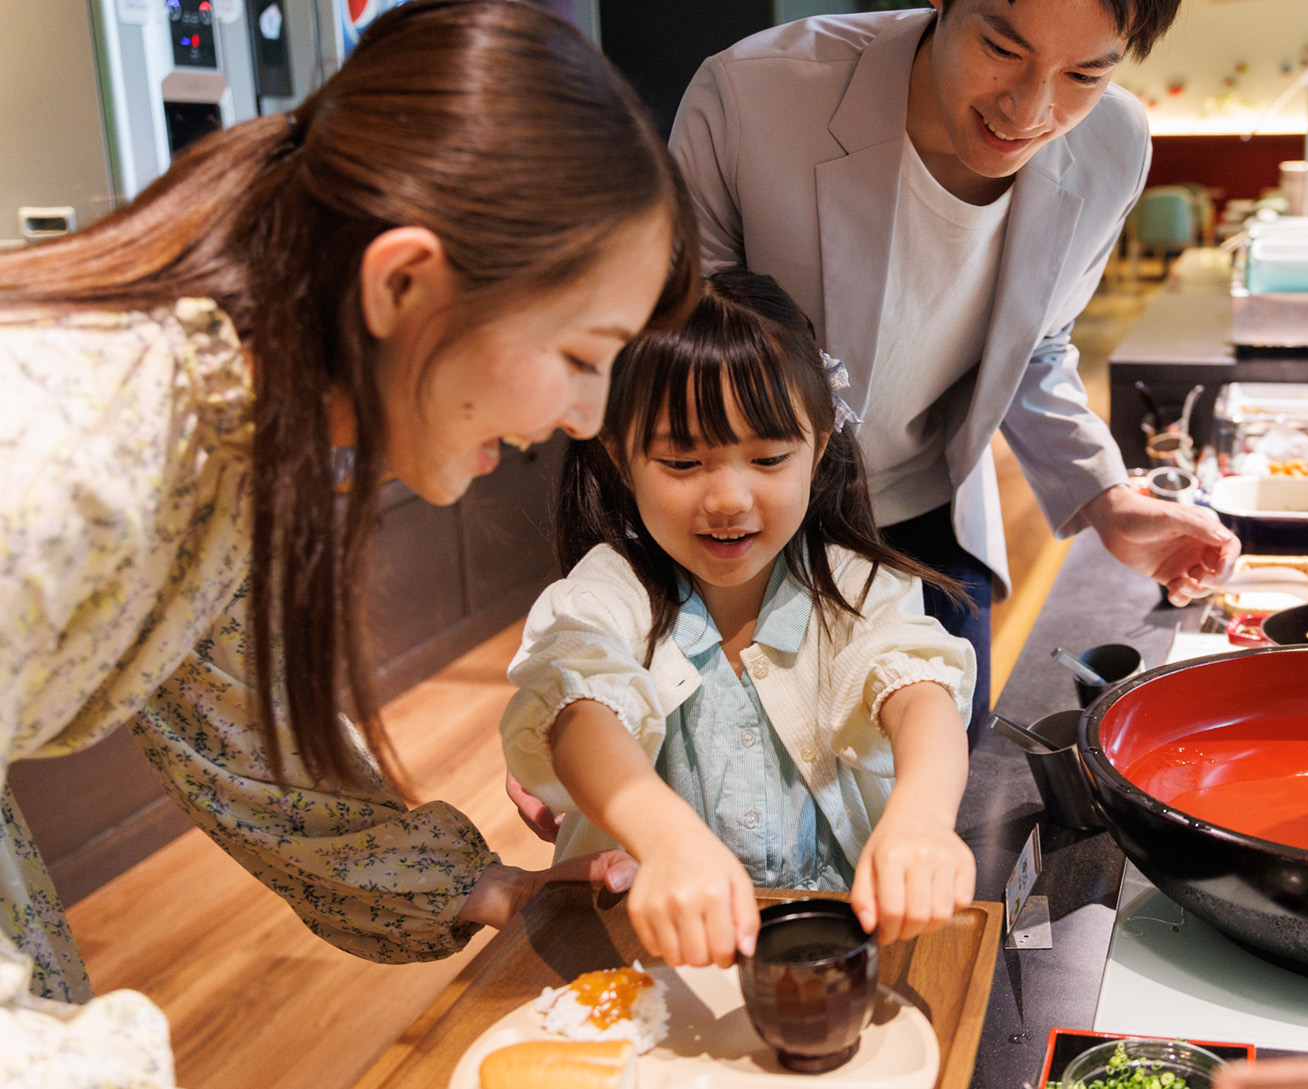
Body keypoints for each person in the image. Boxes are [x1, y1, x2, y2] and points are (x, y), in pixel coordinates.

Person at [0, 1, 695, 1080]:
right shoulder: (73, 448)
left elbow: (247, 727)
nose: (587, 417)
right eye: (579, 352)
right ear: (401, 284)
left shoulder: (234, 423)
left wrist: (480, 887)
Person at [669, 0, 1239, 734]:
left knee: (945, 800)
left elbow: (1035, 348)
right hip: (738, 531)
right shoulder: (753, 96)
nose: (1030, 109)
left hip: (933, 525)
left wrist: (1107, 497)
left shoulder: (1112, 145)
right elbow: (672, 368)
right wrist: (598, 657)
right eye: (1002, 48)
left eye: (1085, 72)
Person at [500, 268, 977, 968]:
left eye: (768, 457)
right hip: (644, 958)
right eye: (683, 460)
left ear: (818, 446)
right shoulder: (609, 592)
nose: (727, 497)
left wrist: (924, 815)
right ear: (621, 458)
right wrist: (663, 838)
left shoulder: (854, 583)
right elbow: (576, 704)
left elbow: (917, 690)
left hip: (831, 953)